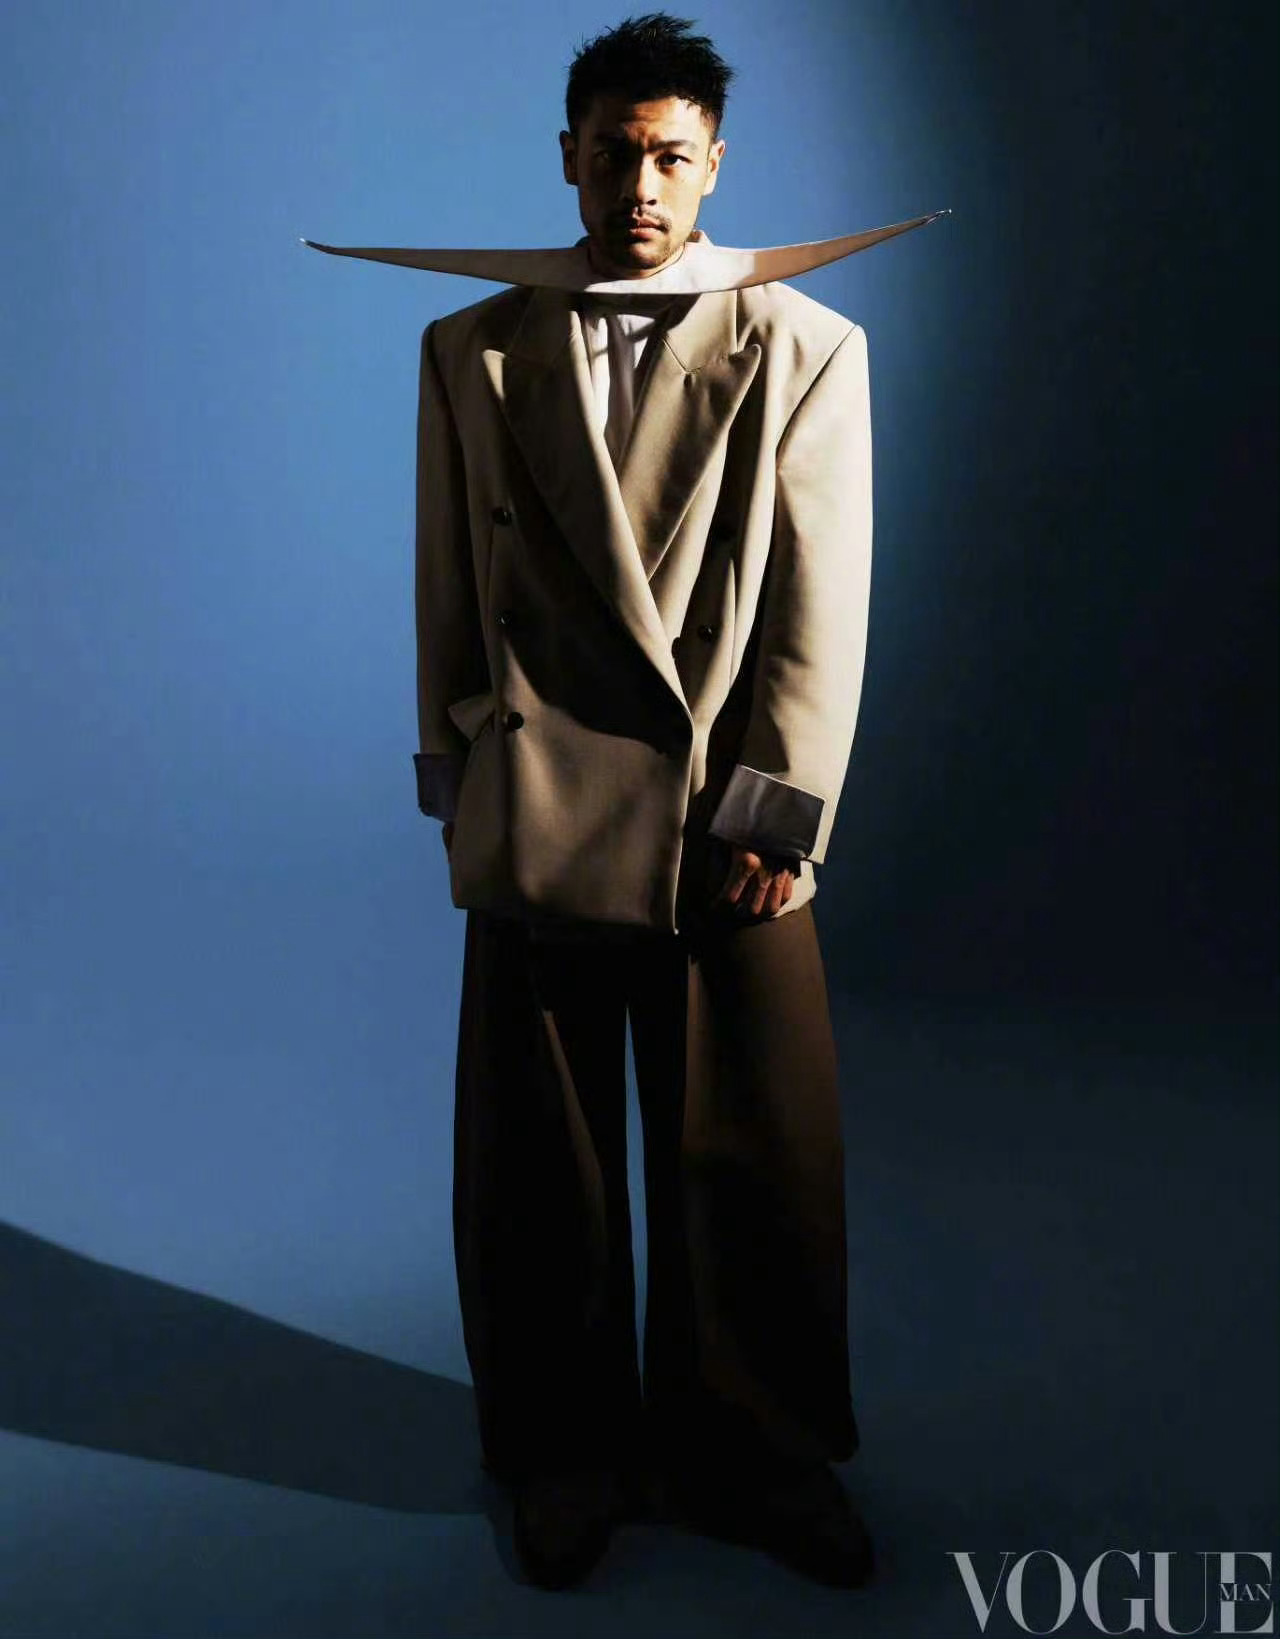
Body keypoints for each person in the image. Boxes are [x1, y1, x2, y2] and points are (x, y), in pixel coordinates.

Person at [415, 11, 877, 1592]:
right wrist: (460, 767)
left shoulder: (805, 345)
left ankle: (759, 1452)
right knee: (537, 1157)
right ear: (568, 156)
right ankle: (560, 1453)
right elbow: (447, 578)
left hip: (716, 813)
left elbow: (819, 602)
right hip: (541, 791)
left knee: (754, 1144)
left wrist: (776, 813)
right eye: (615, 153)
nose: (640, 186)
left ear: (716, 165)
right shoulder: (472, 348)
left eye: (672, 156)